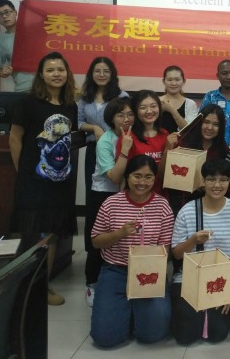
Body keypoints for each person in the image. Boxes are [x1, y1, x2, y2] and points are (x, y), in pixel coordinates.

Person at [9, 51, 78, 306]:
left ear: (67, 73)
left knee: (52, 234)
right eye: (50, 70)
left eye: (60, 69)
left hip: (60, 182)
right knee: (32, 235)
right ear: (41, 74)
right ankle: (21, 288)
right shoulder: (28, 103)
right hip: (32, 182)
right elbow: (14, 138)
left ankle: (41, 287)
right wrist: (23, 172)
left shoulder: (70, 105)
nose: (56, 74)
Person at [90, 155, 174, 348]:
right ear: (127, 177)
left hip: (150, 271)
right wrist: (120, 233)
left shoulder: (162, 206)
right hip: (115, 270)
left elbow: (165, 249)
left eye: (148, 177)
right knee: (105, 338)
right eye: (137, 176)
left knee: (152, 334)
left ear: (154, 179)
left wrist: (147, 266)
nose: (142, 182)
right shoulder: (111, 203)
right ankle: (125, 312)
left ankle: (135, 312)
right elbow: (95, 241)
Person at [170, 158, 230, 345]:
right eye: (211, 179)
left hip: (220, 279)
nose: (217, 185)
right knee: (185, 335)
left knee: (217, 334)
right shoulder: (188, 211)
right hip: (189, 277)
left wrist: (228, 289)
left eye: (223, 180)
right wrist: (193, 240)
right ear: (203, 181)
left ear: (229, 182)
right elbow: (176, 254)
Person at [85, 96, 134, 307]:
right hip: (104, 194)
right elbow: (114, 177)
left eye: (130, 114)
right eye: (120, 115)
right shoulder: (105, 140)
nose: (126, 119)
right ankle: (92, 284)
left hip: (128, 195)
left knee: (124, 238)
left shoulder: (135, 135)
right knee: (99, 241)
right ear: (111, 118)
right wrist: (124, 150)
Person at [78, 57, 128, 244]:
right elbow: (78, 121)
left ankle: (117, 242)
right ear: (91, 74)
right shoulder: (86, 97)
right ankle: (93, 245)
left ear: (112, 74)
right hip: (94, 150)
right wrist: (93, 128)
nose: (101, 74)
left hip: (118, 149)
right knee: (94, 196)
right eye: (97, 71)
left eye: (106, 71)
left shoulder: (121, 96)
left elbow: (128, 121)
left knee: (116, 193)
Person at [116, 90, 177, 195]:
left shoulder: (165, 134)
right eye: (143, 107)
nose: (149, 111)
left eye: (153, 106)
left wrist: (169, 147)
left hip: (160, 197)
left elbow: (166, 174)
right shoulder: (127, 137)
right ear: (135, 111)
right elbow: (120, 176)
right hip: (136, 196)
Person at [0, 0, 33, 92]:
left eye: (7, 12)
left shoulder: (34, 31)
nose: (4, 16)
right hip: (23, 89)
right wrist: (3, 72)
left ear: (15, 13)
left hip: (48, 86)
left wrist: (30, 6)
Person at [159, 65, 198, 133]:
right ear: (163, 81)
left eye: (177, 80)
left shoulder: (190, 104)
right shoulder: (156, 101)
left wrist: (172, 110)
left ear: (184, 81)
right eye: (169, 80)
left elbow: (189, 130)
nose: (173, 83)